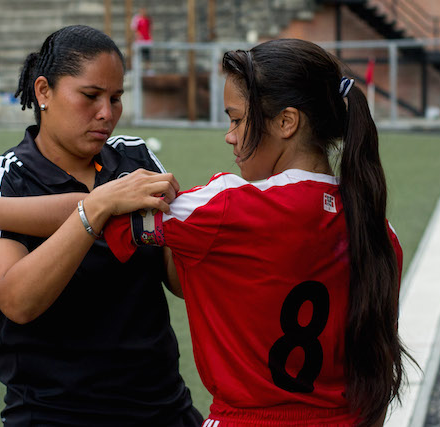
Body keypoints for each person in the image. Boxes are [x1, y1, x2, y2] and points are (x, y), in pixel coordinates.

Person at [102, 39, 412, 426]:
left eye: (236, 119)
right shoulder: (380, 232)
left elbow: (107, 213)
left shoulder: (226, 207)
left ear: (286, 122)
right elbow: (377, 369)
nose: (230, 135)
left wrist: (1, 208)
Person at [0, 25, 202, 426]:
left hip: (163, 410)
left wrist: (193, 231)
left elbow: (178, 281)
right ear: (43, 92)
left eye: (116, 98)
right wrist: (94, 211)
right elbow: (19, 301)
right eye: (90, 96)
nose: (107, 113)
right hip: (54, 416)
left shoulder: (135, 157)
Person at [131, 7, 153, 73]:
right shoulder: (137, 19)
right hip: (140, 41)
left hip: (147, 40)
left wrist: (150, 37)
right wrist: (137, 35)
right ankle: (137, 70)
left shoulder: (148, 19)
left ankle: (148, 70)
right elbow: (134, 29)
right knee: (138, 55)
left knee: (147, 55)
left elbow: (150, 29)